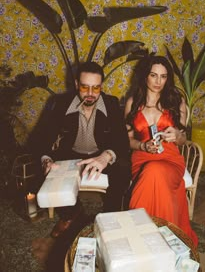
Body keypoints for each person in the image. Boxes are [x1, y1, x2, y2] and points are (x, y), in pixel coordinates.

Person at [29, 61, 130, 238]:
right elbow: (39, 140)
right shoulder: (60, 104)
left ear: (101, 87)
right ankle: (71, 214)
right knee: (44, 171)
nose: (90, 94)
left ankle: (109, 217)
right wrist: (46, 160)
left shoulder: (111, 104)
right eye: (85, 87)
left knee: (123, 168)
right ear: (76, 84)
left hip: (100, 154)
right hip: (70, 155)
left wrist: (106, 156)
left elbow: (122, 142)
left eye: (96, 88)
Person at [124, 55, 198, 246]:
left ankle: (142, 236)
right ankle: (162, 238)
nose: (158, 82)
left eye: (163, 77)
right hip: (142, 157)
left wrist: (177, 136)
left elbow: (183, 140)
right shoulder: (133, 103)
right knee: (151, 171)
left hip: (170, 159)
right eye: (153, 75)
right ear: (145, 76)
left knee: (155, 171)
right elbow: (127, 140)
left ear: (168, 78)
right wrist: (143, 145)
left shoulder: (176, 101)